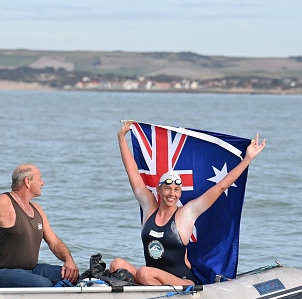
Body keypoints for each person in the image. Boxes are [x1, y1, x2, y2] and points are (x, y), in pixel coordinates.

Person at [110, 121, 266, 286]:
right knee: (117, 264)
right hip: (150, 278)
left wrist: (248, 158)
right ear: (159, 190)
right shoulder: (148, 207)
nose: (172, 193)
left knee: (144, 272)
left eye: (176, 190)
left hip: (183, 282)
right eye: (168, 188)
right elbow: (132, 172)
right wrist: (121, 138)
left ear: (180, 193)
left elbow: (221, 186)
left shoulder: (187, 213)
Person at [0, 163, 79, 287]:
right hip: (0, 273)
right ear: (27, 182)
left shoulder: (37, 209)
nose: (43, 183)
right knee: (43, 284)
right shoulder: (2, 203)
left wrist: (69, 260)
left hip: (31, 270)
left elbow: (55, 243)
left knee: (73, 277)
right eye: (40, 178)